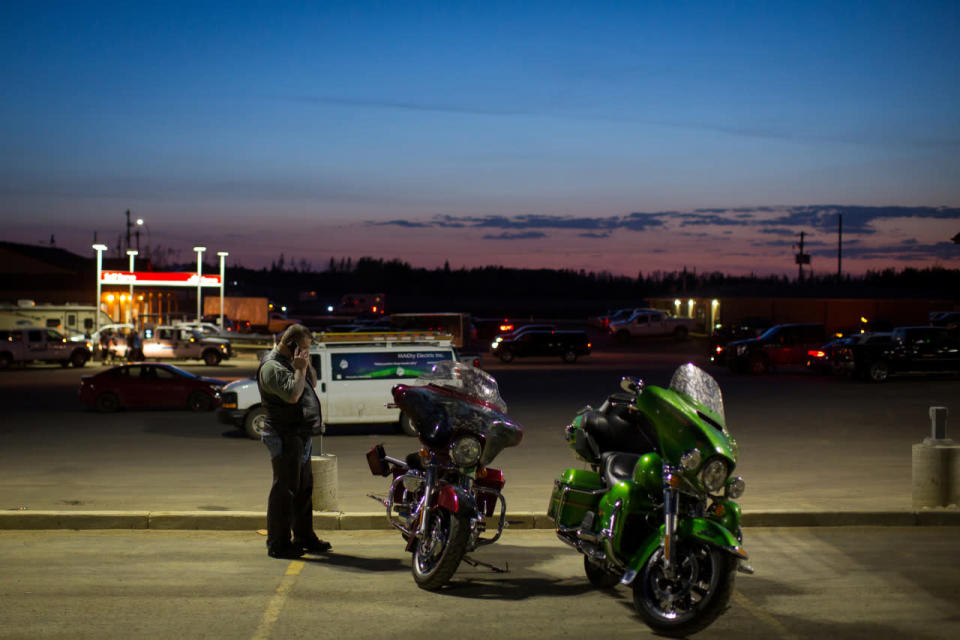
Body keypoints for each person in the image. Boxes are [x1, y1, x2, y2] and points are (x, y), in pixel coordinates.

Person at [257, 323, 332, 559]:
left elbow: (313, 383)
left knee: (303, 488)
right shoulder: (272, 367)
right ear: (291, 345)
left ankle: (304, 536)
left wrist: (305, 364)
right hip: (284, 434)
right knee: (285, 489)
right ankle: (278, 543)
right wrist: (299, 369)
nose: (306, 353)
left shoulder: (294, 362)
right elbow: (293, 395)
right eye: (303, 349)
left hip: (300, 433)